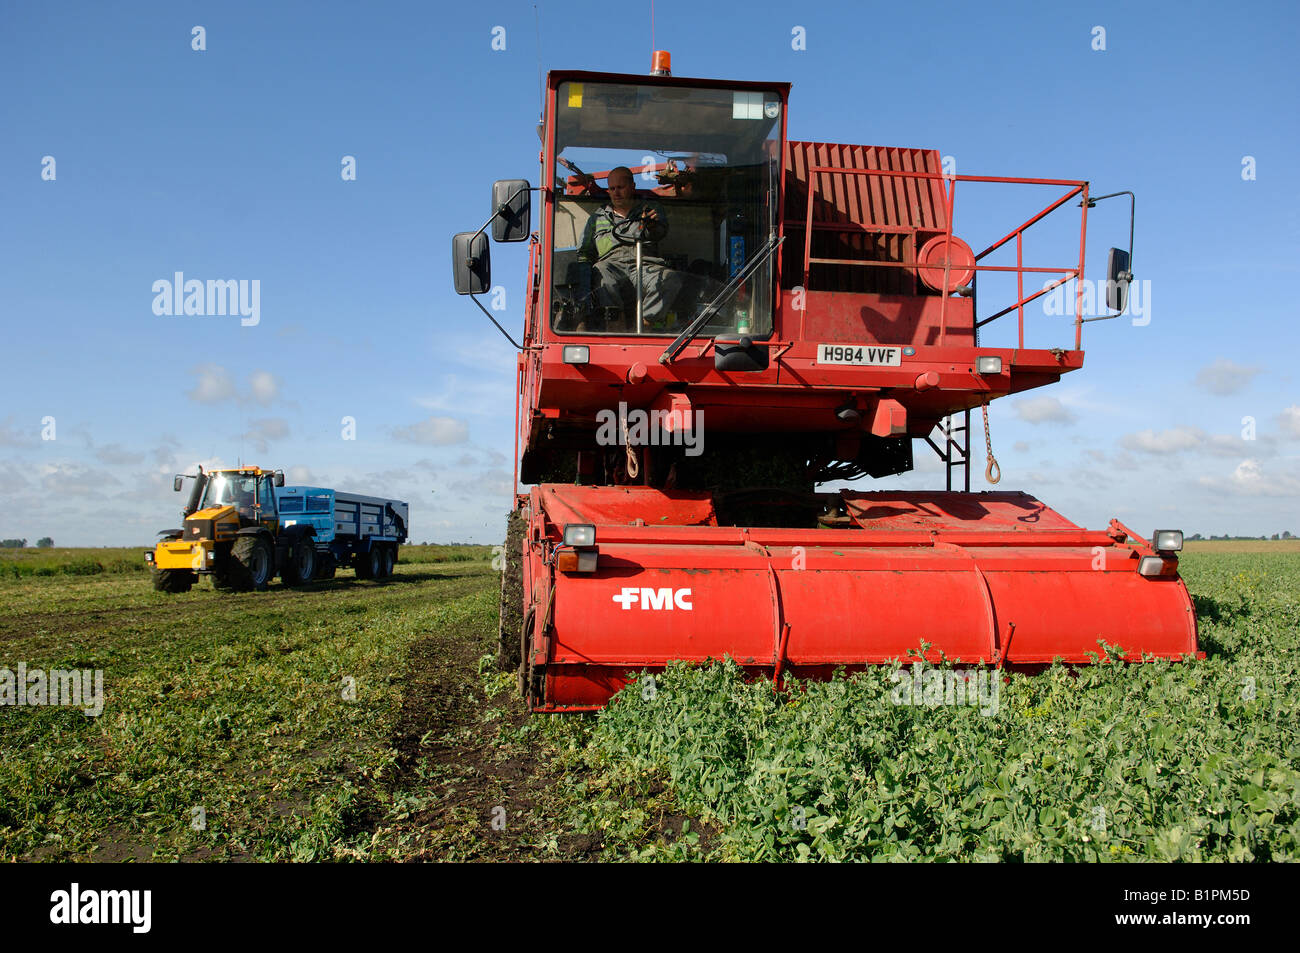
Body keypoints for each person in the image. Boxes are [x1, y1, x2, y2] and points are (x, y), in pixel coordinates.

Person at [576, 166, 687, 332]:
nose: (616, 193)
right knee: (600, 273)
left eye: (621, 187)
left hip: (644, 263)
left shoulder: (650, 210)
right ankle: (616, 326)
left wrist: (651, 225)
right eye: (612, 188)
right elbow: (584, 252)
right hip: (610, 265)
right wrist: (583, 278)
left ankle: (644, 326)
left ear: (632, 187)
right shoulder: (597, 217)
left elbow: (660, 231)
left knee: (670, 279)